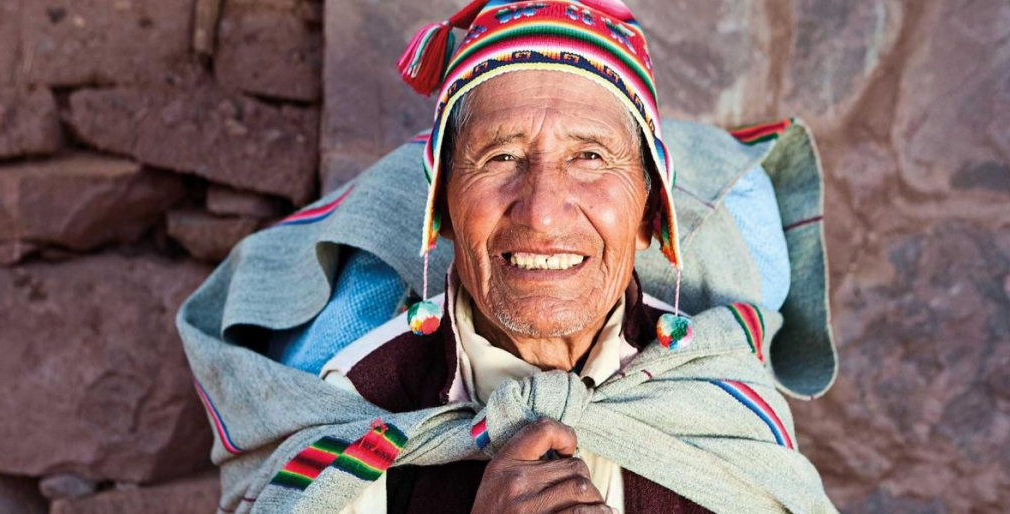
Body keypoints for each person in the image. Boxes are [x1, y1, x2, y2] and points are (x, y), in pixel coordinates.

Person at [178, 1, 839, 512]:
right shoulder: (358, 406)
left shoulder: (715, 401)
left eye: (590, 157)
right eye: (500, 156)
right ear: (441, 210)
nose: (542, 211)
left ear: (650, 215)